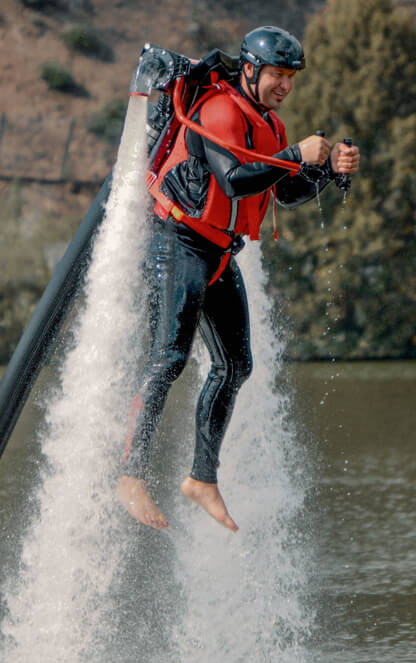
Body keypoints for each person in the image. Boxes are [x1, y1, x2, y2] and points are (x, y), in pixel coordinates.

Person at [117, 26, 361, 531]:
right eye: (277, 75)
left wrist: (329, 171)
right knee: (170, 358)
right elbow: (233, 181)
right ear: (249, 69)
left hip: (218, 251)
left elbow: (283, 192)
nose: (284, 85)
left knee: (236, 365)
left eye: (290, 77)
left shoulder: (271, 124)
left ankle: (201, 478)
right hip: (178, 240)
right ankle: (129, 476)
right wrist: (296, 156)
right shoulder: (219, 110)